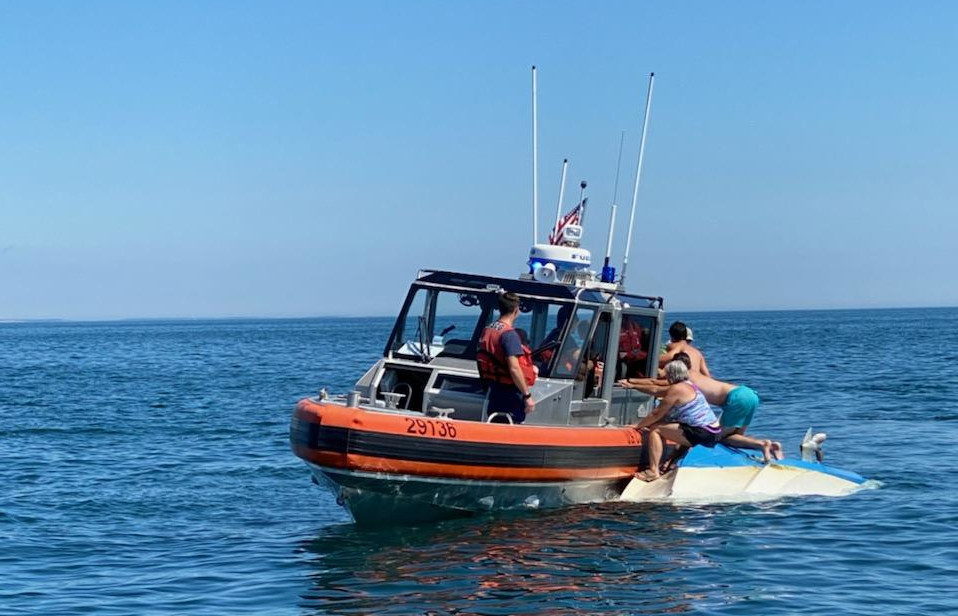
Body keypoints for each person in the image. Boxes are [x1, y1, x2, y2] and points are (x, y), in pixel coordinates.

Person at [620, 352, 783, 462]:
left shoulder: (684, 382)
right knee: (734, 436)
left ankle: (762, 445)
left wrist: (631, 383)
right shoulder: (695, 375)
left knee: (723, 438)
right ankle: (768, 447)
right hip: (748, 393)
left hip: (735, 398)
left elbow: (656, 386)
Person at [633, 360, 723, 482]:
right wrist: (632, 385)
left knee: (656, 429)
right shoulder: (690, 385)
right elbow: (655, 390)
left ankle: (653, 471)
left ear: (671, 374)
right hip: (714, 431)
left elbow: (656, 413)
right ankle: (669, 464)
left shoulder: (677, 389)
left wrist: (638, 426)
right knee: (667, 427)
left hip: (702, 432)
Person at [476, 292, 536, 424]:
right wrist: (527, 396)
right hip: (509, 393)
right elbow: (514, 368)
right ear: (516, 310)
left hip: (494, 389)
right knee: (511, 422)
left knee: (495, 421)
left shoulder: (488, 329)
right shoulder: (510, 335)